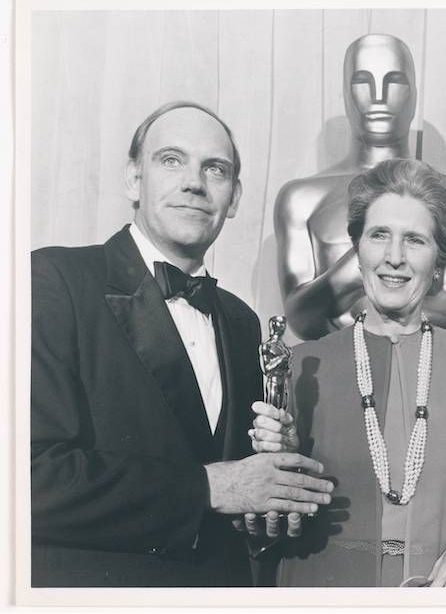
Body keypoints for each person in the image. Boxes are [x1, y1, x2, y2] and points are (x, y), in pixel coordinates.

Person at [31, 101, 333, 587]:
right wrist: (213, 487)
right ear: (133, 179)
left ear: (233, 198)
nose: (194, 182)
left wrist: (270, 505)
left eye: (215, 169)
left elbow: (238, 491)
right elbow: (28, 479)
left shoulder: (240, 320)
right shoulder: (53, 280)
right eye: (171, 160)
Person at [251, 158, 446, 586]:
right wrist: (278, 474)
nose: (394, 258)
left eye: (414, 240)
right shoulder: (302, 366)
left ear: (439, 262)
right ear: (357, 250)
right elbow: (269, 522)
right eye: (379, 235)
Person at [274, 33, 446, 339]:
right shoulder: (300, 198)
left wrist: (363, 306)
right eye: (362, 81)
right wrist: (362, 267)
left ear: (414, 94)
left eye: (394, 81)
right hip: (332, 370)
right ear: (345, 94)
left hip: (429, 370)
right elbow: (300, 316)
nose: (378, 95)